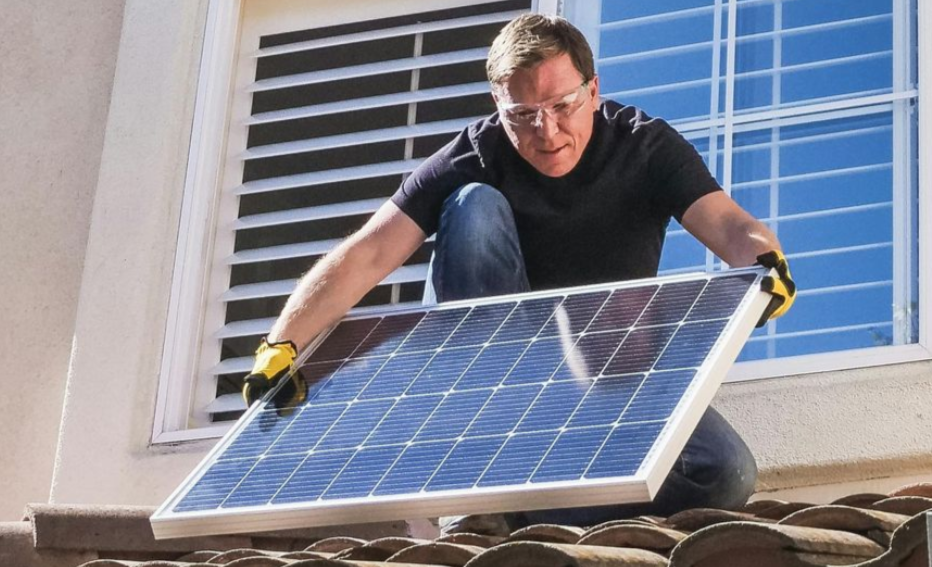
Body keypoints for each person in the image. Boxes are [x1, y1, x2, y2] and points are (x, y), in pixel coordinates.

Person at [242, 14, 796, 535]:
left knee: (723, 471)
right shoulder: (474, 154)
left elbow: (729, 227)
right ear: (497, 106)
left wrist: (764, 265)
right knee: (471, 206)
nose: (546, 130)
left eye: (561, 106)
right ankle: (480, 487)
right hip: (499, 370)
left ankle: (537, 513)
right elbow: (367, 254)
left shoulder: (644, 146)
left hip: (608, 370)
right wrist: (281, 343)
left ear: (593, 91)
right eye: (523, 115)